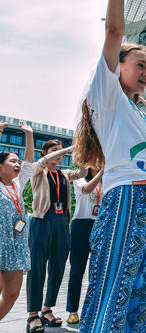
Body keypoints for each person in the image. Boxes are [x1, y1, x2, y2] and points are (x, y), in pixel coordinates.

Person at [72, 0, 146, 331]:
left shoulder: (138, 112)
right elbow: (114, 30)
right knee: (114, 287)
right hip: (128, 196)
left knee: (144, 295)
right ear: (119, 67)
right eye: (140, 65)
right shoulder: (108, 94)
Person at [27, 141, 87, 331]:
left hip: (62, 222)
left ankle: (47, 309)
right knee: (37, 268)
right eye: (54, 151)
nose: (59, 155)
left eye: (60, 152)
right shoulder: (39, 170)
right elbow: (44, 161)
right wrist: (68, 148)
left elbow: (83, 173)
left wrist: (83, 154)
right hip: (42, 221)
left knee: (58, 267)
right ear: (45, 152)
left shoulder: (64, 174)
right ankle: (33, 314)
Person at [0, 122, 34, 324]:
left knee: (12, 295)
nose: (18, 164)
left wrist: (29, 135)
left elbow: (29, 161)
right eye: (12, 161)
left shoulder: (18, 184)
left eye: (17, 161)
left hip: (16, 245)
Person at [66, 167, 103, 325]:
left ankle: (93, 310)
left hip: (100, 225)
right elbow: (87, 190)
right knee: (77, 270)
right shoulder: (79, 176)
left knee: (98, 272)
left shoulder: (107, 180)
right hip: (81, 224)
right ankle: (72, 310)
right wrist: (102, 173)